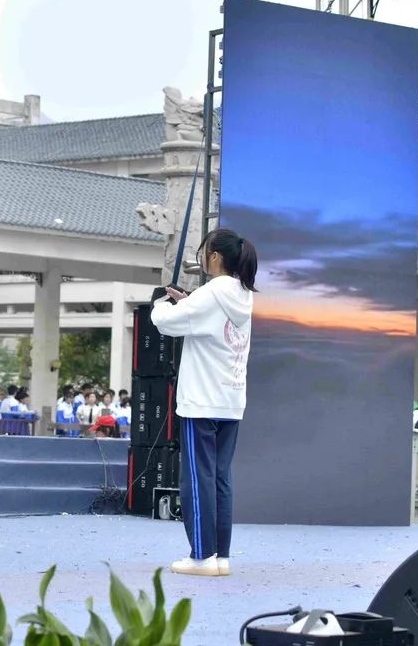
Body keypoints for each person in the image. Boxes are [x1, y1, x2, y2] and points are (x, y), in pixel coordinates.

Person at [151, 228, 257, 578]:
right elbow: (205, 318)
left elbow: (167, 323)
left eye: (203, 253)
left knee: (197, 479)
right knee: (220, 479)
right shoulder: (242, 294)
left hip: (202, 400)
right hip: (230, 399)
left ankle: (201, 556)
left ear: (214, 256)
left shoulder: (212, 292)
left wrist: (160, 303)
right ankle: (220, 556)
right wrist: (187, 302)